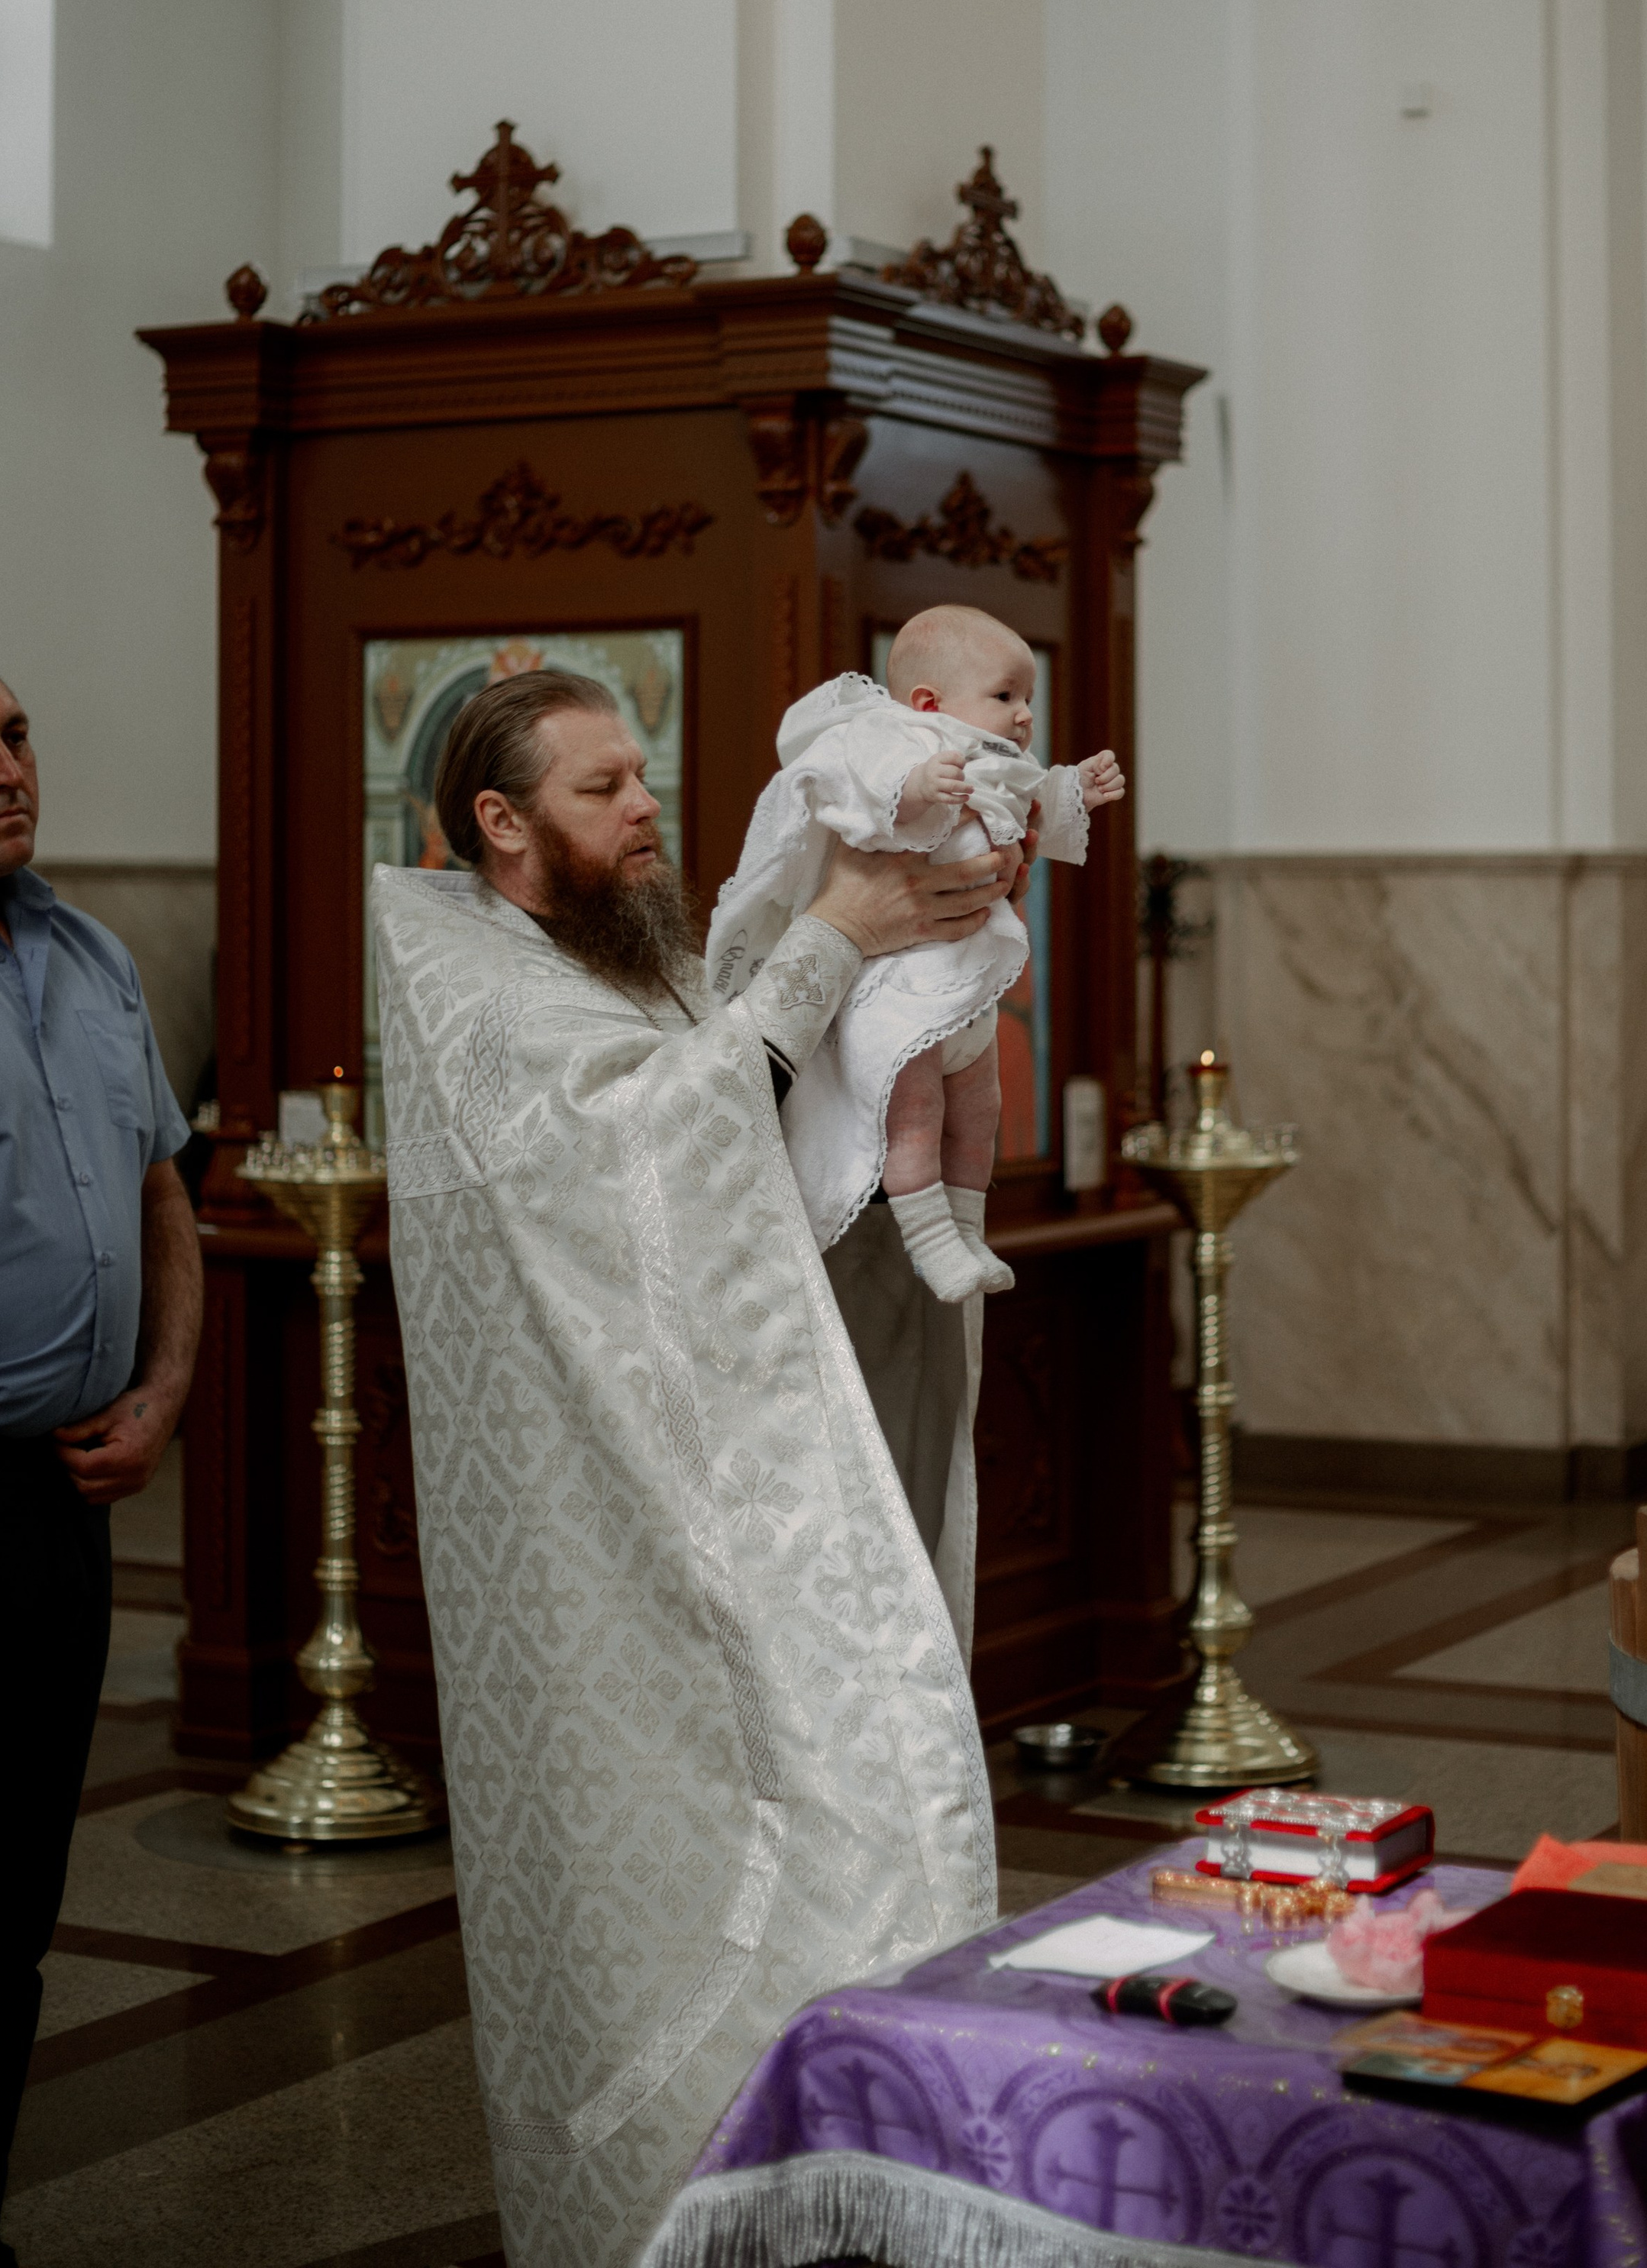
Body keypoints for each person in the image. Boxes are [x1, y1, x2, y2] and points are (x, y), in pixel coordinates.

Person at [371, 667, 1031, 2268]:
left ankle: (847, 2172)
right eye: (601, 788)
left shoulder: (633, 955)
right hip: (601, 1560)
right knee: (692, 1878)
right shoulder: (476, 987)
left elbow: (752, 1118)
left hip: (715, 1494)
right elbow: (648, 1151)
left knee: (855, 1812)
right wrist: (835, 938)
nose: (644, 806)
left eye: (640, 773)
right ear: (499, 822)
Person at [0, 675, 203, 2268]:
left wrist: (165, 1391)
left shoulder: (91, 958)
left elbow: (159, 1197)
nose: (8, 768)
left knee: (14, 1903)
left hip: (58, 1507)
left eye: (11, 734)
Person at [706, 606, 1124, 1297]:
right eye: (1006, 695)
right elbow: (856, 793)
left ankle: (968, 1229)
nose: (1025, 715)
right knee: (916, 1116)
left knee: (980, 1111)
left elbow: (1030, 808)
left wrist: (1074, 789)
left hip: (965, 981)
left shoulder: (995, 760)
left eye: (1028, 698)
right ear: (929, 703)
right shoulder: (890, 738)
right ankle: (929, 1239)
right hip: (899, 982)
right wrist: (916, 788)